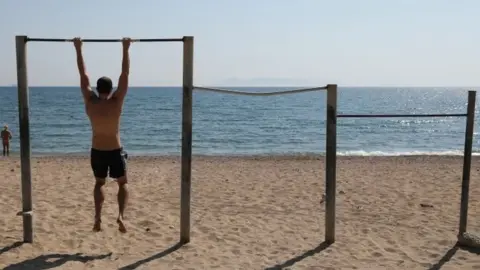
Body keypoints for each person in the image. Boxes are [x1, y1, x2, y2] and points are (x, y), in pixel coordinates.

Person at [73, 37, 132, 233]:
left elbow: (83, 73)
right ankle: (121, 216)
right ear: (111, 88)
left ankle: (98, 218)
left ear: (97, 89)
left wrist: (78, 48)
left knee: (99, 183)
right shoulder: (117, 102)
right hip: (115, 149)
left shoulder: (90, 101)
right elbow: (125, 73)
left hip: (97, 149)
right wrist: (125, 48)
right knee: (122, 183)